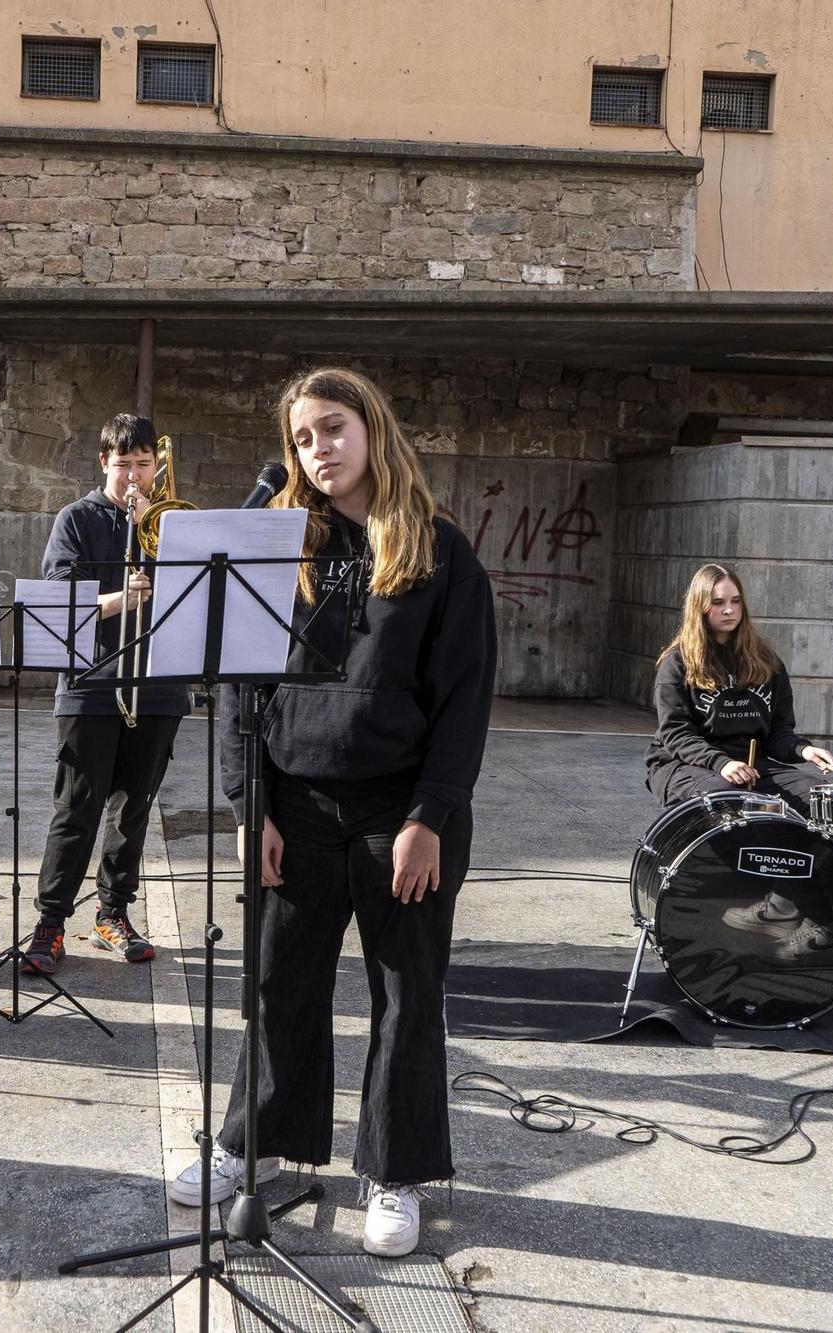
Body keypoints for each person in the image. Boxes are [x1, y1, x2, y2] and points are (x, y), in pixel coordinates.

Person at [167, 367, 496, 1259]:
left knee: (405, 994)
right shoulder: (277, 548)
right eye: (304, 438)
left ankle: (391, 1171)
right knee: (280, 983)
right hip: (296, 806)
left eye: (334, 429)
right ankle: (251, 1144)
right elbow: (241, 687)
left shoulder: (439, 550)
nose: (319, 451)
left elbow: (465, 700)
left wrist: (432, 814)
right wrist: (250, 802)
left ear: (373, 429)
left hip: (402, 811)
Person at [22, 414, 189, 974]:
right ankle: (50, 924)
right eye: (125, 466)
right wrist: (122, 598)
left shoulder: (172, 523)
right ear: (104, 464)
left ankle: (111, 914)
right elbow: (57, 596)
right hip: (91, 684)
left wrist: (162, 544)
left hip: (160, 685)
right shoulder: (77, 518)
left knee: (133, 808)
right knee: (76, 809)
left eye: (145, 465)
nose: (136, 478)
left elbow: (201, 597)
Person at [645, 562, 833, 811]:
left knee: (822, 802)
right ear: (699, 607)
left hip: (750, 764)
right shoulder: (678, 663)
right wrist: (722, 763)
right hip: (684, 765)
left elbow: (778, 734)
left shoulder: (766, 662)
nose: (729, 610)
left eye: (736, 601)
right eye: (718, 602)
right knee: (728, 798)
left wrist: (804, 750)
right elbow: (677, 734)